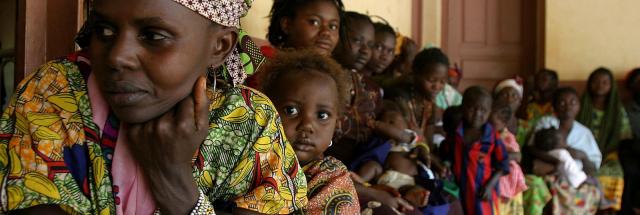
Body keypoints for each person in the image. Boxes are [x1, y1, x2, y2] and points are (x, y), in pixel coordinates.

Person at [0, 0, 308, 214]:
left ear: (220, 46)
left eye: (153, 36)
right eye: (105, 30)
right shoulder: (55, 91)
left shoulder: (249, 122)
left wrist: (173, 179)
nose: (118, 56)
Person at [258, 50, 359, 215]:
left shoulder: (331, 178)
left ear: (336, 124)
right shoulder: (248, 160)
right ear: (265, 111)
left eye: (322, 115)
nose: (307, 125)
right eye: (291, 110)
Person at [441, 86, 510, 215]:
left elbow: (503, 164)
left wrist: (490, 186)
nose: (477, 114)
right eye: (472, 108)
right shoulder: (456, 132)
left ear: (489, 112)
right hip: (457, 188)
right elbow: (447, 153)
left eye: (483, 110)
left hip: (481, 190)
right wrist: (446, 164)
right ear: (463, 107)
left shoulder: (492, 136)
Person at [576, 67, 632, 212]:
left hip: (609, 152)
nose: (600, 85)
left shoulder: (617, 110)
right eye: (596, 81)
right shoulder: (580, 106)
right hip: (582, 153)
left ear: (611, 85)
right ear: (589, 84)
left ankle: (610, 208)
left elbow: (624, 137)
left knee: (614, 172)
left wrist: (606, 153)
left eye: (604, 82)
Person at [492, 104, 527, 215]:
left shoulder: (507, 137)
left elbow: (515, 155)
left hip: (508, 175)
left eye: (493, 124)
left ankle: (507, 192)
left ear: (504, 123)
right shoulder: (491, 134)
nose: (489, 126)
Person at [493, 77, 531, 146]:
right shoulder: (490, 125)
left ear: (520, 102)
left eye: (514, 96)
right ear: (496, 99)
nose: (509, 100)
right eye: (504, 95)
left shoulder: (526, 127)